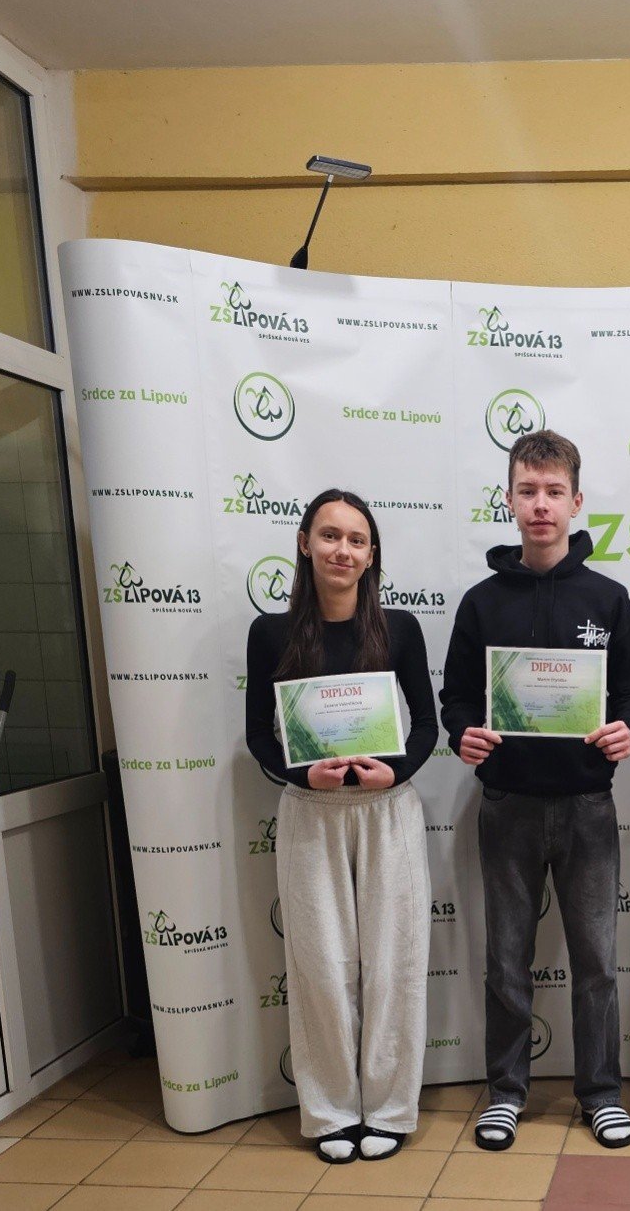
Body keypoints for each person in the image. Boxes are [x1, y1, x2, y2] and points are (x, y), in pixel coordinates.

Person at [441, 429, 630, 1152]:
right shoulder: (481, 604)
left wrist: (629, 728)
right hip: (507, 805)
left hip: (588, 806)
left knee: (596, 963)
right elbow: (456, 698)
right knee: (507, 961)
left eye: (553, 492)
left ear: (576, 502)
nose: (540, 505)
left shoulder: (609, 598)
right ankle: (506, 1093)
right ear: (508, 499)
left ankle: (601, 1094)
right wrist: (462, 733)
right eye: (527, 491)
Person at [245, 489, 438, 1164]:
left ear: (371, 554)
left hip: (388, 812)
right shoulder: (270, 633)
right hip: (312, 815)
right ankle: (329, 1113)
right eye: (329, 536)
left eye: (356, 540)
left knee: (393, 965)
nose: (342, 551)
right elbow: (259, 737)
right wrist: (301, 776)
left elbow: (426, 724)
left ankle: (389, 1110)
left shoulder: (400, 628)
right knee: (321, 969)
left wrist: (396, 771)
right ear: (304, 543)